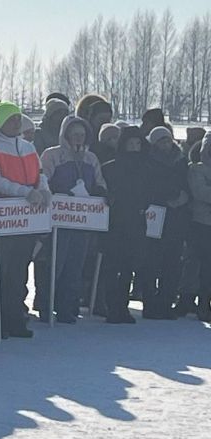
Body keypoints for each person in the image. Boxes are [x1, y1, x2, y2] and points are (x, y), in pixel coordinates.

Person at [0, 101, 51, 338]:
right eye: (11, 119)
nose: (16, 123)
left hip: (26, 219)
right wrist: (25, 192)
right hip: (2, 217)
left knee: (18, 271)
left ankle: (14, 318)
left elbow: (39, 174)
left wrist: (44, 189)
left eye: (18, 118)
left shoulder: (28, 147)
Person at [39, 116, 107, 322]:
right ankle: (46, 305)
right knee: (54, 265)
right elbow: (43, 180)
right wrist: (57, 193)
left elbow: (99, 181)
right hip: (58, 221)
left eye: (82, 134)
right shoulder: (52, 155)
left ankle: (67, 307)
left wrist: (102, 192)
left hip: (81, 221)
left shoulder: (91, 158)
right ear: (66, 135)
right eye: (75, 134)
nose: (78, 138)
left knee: (75, 266)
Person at [101, 126, 153, 324]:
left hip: (137, 222)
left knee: (129, 266)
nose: (134, 147)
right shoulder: (111, 167)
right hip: (115, 223)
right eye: (130, 143)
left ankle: (122, 307)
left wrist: (142, 204)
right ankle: (112, 307)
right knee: (113, 266)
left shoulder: (146, 168)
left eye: (137, 143)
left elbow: (149, 194)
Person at [139, 127, 190, 319]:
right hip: (155, 215)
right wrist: (163, 198)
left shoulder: (181, 160)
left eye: (168, 140)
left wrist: (184, 197)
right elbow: (146, 187)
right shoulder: (147, 161)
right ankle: (150, 304)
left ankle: (167, 302)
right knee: (151, 262)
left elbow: (187, 183)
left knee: (172, 263)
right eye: (161, 141)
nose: (165, 144)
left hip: (177, 217)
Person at [187, 131, 211, 321]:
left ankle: (205, 302)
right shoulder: (197, 169)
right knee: (197, 265)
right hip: (201, 224)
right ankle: (190, 300)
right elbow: (201, 193)